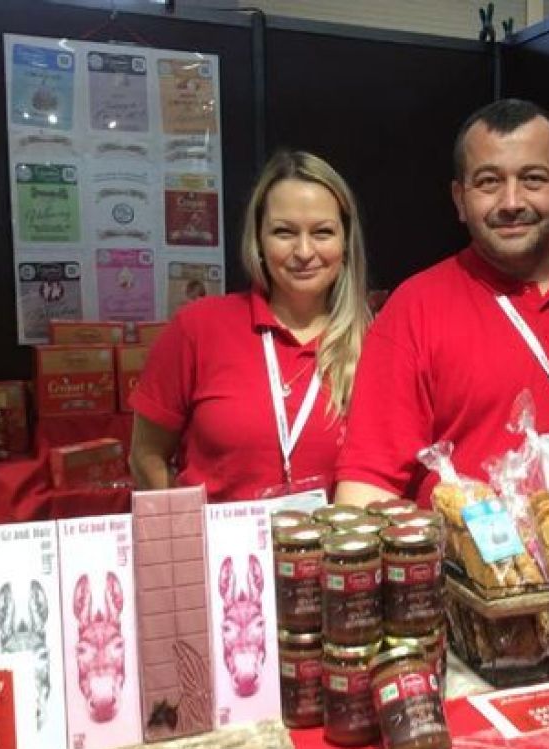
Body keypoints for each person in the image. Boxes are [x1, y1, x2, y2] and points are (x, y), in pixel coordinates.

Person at [335, 98, 549, 507]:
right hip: (479, 565)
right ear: (459, 199)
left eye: (533, 179)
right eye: (488, 182)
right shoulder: (414, 309)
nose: (511, 202)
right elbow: (366, 488)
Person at [130, 150, 370, 501]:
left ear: (345, 243)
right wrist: (183, 535)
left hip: (329, 555)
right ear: (258, 240)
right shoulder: (199, 327)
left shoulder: (375, 343)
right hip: (220, 555)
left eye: (322, 232)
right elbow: (145, 455)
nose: (304, 251)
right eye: (284, 232)